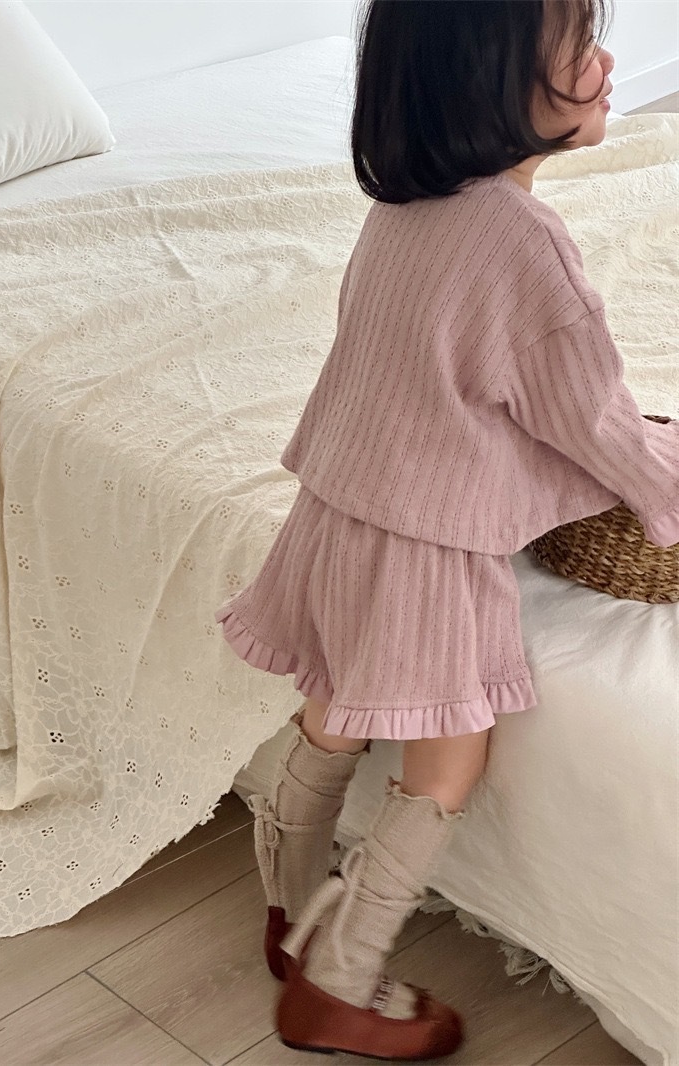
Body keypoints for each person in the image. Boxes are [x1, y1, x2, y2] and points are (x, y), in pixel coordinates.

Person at [215, 0, 679, 1059]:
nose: (606, 62)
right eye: (578, 47)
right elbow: (593, 421)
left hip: (336, 510)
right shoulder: (524, 244)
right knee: (445, 767)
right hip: (426, 548)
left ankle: (290, 916)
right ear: (492, 79)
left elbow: (440, 379)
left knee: (331, 713)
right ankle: (338, 983)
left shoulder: (401, 207)